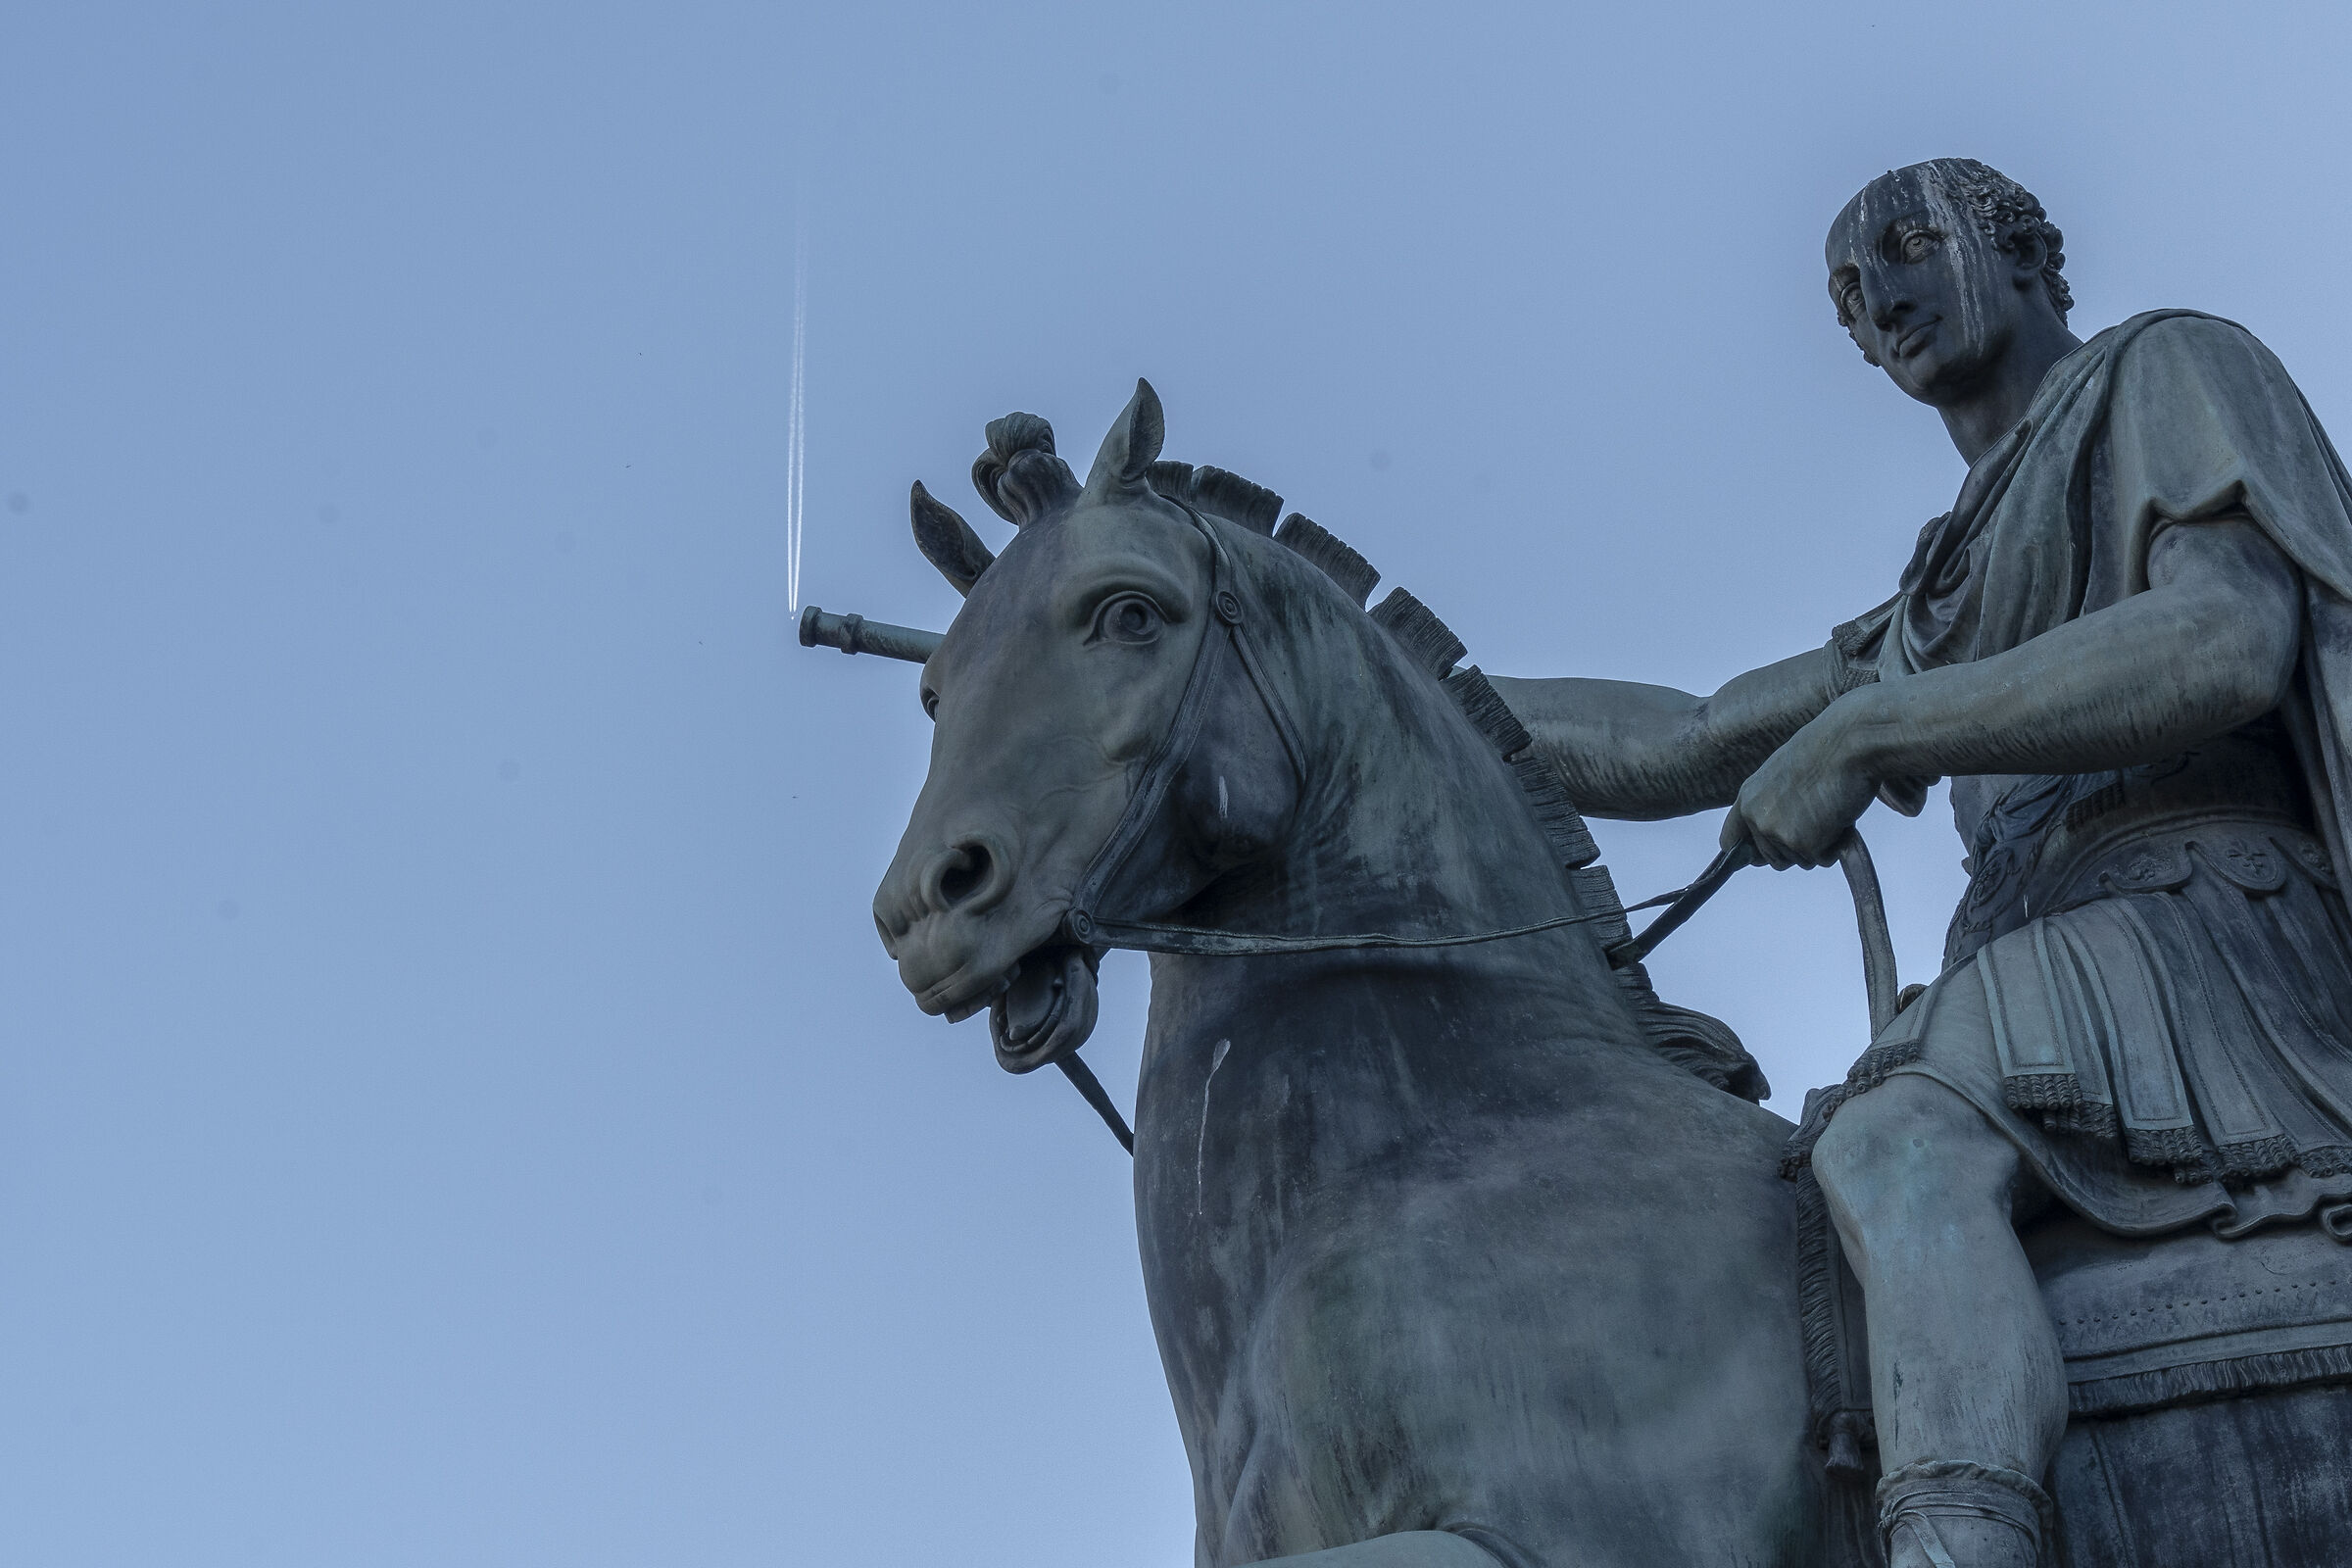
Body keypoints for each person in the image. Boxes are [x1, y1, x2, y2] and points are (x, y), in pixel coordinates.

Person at [1494, 158, 2352, 1568]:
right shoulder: (1943, 583)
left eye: (1903, 246)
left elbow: (2227, 639)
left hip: (2201, 913)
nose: (1878, 296)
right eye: (1846, 293)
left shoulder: (2168, 369)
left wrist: (1881, 726)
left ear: (2023, 253)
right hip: (2044, 954)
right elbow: (1693, 736)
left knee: (1897, 1144)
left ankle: (1962, 1546)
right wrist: (1382, 672)